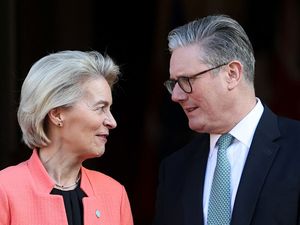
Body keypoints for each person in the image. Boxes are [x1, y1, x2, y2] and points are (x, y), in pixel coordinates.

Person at [153, 14, 300, 225]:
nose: (176, 95)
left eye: (186, 80)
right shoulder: (175, 169)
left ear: (231, 74)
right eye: (174, 83)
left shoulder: (295, 148)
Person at [0, 50, 134, 225]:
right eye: (100, 107)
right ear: (57, 114)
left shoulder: (115, 195)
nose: (112, 122)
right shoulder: (5, 189)